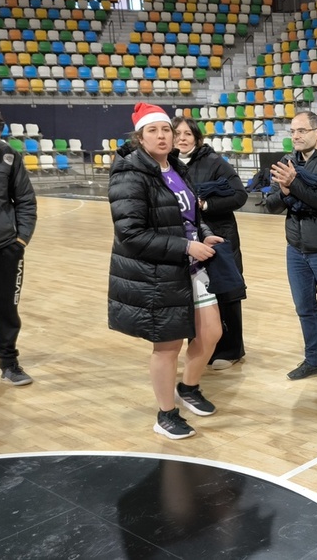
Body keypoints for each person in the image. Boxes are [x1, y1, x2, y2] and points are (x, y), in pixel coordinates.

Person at [108, 103, 225, 440]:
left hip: (190, 265)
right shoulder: (129, 174)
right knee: (168, 347)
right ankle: (165, 414)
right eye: (153, 131)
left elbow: (190, 216)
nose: (162, 136)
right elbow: (130, 234)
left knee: (212, 332)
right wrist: (186, 246)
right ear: (140, 137)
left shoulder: (175, 168)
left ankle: (187, 387)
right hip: (157, 272)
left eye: (166, 130)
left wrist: (202, 235)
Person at [264, 112, 317, 381]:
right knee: (304, 308)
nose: (296, 136)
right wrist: (288, 192)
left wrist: (293, 186)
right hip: (295, 248)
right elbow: (271, 204)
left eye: (302, 130)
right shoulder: (286, 162)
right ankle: (314, 360)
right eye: (292, 131)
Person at [171, 116, 248, 370]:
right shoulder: (167, 164)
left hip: (219, 236)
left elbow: (239, 195)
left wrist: (206, 205)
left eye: (187, 134)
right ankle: (201, 348)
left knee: (226, 293)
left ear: (197, 138)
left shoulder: (214, 162)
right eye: (177, 133)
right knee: (195, 294)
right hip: (188, 240)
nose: (181, 138)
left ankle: (232, 349)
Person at [0, 106, 37, 392]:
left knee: (7, 310)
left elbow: (25, 200)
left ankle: (9, 363)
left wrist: (21, 240)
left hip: (5, 249)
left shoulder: (9, 155)